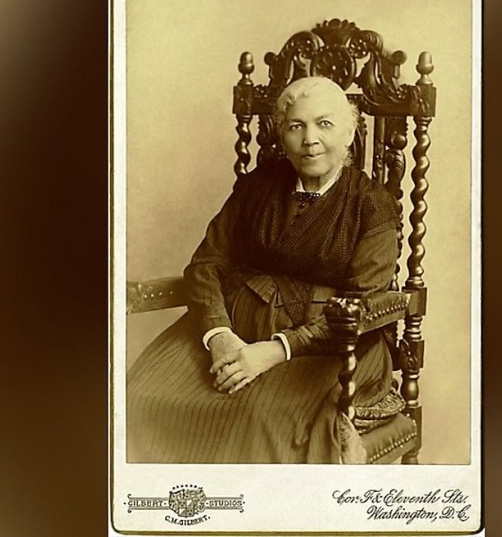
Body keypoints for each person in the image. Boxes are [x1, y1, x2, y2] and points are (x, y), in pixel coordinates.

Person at [126, 76, 400, 463]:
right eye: (296, 126)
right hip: (234, 326)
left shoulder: (371, 204)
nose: (309, 139)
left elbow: (361, 304)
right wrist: (219, 335)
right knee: (140, 396)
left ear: (348, 134)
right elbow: (206, 263)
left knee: (257, 419)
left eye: (324, 124)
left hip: (329, 344)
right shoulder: (257, 186)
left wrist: (275, 351)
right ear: (282, 135)